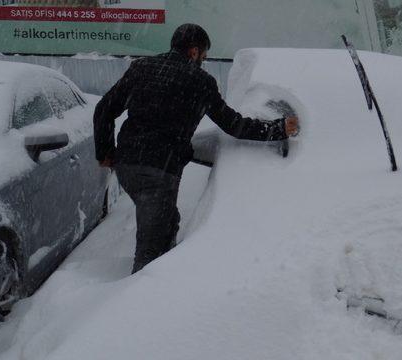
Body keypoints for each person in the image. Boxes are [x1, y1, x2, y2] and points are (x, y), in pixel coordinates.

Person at [93, 23, 299, 274]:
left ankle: (165, 278)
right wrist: (277, 129)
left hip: (127, 164)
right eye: (204, 56)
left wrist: (105, 152)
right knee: (151, 249)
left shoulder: (142, 68)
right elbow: (233, 125)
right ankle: (142, 298)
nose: (204, 61)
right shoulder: (201, 81)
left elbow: (104, 109)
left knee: (167, 224)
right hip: (158, 172)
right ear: (193, 52)